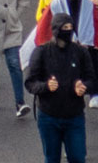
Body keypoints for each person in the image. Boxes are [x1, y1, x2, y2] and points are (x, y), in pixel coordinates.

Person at [24, 13, 95, 163]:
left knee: (77, 158)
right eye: (64, 28)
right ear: (56, 29)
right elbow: (30, 83)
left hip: (74, 116)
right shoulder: (42, 52)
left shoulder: (80, 52)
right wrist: (45, 86)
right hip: (48, 117)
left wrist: (85, 87)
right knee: (52, 158)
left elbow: (92, 79)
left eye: (70, 28)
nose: (68, 31)